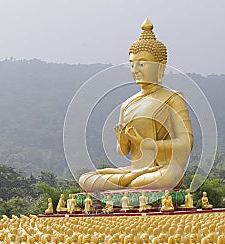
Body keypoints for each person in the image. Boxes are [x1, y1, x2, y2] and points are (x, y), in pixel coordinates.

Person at [79, 18, 193, 192]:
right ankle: (131, 182)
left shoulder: (173, 98)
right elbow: (123, 151)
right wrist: (123, 142)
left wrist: (150, 145)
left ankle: (128, 184)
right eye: (131, 64)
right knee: (86, 179)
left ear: (160, 66)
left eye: (141, 63)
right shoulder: (127, 104)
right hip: (137, 171)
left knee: (170, 175)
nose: (135, 69)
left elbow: (186, 143)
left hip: (162, 169)